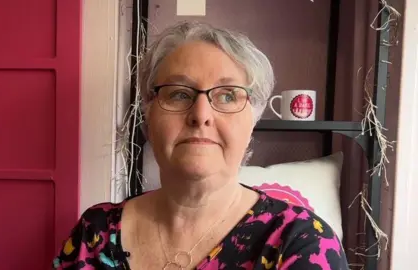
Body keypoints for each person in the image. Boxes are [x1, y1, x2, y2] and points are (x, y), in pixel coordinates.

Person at [53, 21, 349, 270]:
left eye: (228, 95)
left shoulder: (302, 242)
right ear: (148, 116)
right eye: (179, 94)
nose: (200, 115)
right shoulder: (95, 232)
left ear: (253, 121)